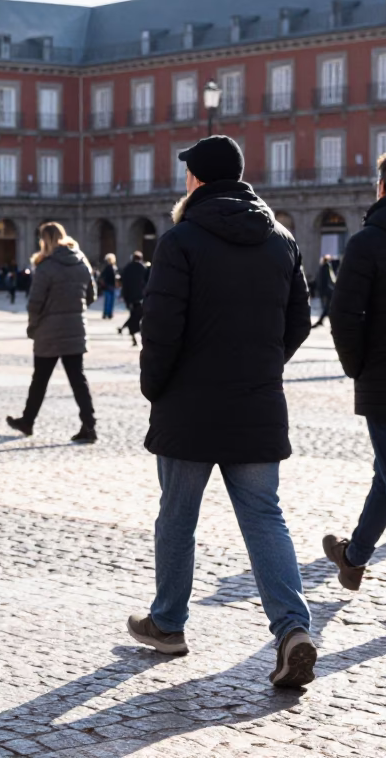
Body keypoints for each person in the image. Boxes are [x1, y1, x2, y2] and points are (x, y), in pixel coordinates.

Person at [127, 135, 316, 689]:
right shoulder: (281, 240)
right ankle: (293, 630)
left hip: (189, 407)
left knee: (177, 517)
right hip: (256, 404)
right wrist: (263, 366)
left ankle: (168, 623)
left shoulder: (181, 240)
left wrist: (156, 388)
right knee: (264, 517)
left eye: (188, 172)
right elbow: (300, 322)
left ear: (199, 180)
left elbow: (160, 328)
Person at [324, 147, 386, 628]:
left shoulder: (368, 240)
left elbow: (344, 315)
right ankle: (354, 556)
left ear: (382, 186)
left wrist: (357, 365)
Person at [6, 222, 98, 443]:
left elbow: (35, 303)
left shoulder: (46, 266)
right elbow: (92, 294)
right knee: (78, 379)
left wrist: (33, 326)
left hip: (49, 331)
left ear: (45, 240)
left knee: (40, 379)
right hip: (75, 329)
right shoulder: (81, 261)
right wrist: (75, 309)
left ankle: (28, 421)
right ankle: (89, 425)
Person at [117, 251, 149, 346]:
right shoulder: (143, 268)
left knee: (134, 314)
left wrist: (125, 296)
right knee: (138, 315)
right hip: (140, 296)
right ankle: (135, 334)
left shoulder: (127, 268)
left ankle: (132, 335)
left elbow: (123, 282)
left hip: (130, 296)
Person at [310, 254, 337, 328]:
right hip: (327, 290)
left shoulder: (321, 267)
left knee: (326, 307)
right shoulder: (328, 267)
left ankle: (321, 321)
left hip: (322, 290)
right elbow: (331, 278)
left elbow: (317, 279)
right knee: (327, 307)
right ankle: (323, 321)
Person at [98, 253, 119, 320]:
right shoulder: (111, 267)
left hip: (108, 286)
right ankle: (108, 313)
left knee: (108, 301)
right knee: (110, 301)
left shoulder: (108, 267)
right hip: (109, 286)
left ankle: (107, 313)